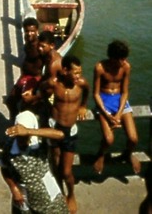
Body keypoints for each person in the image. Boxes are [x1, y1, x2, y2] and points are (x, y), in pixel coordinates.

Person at [42, 55, 89, 214]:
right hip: (55, 127)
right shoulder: (55, 84)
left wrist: (83, 105)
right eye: (75, 73)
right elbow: (42, 90)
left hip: (70, 130)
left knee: (66, 171)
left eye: (80, 73)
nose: (78, 76)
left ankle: (71, 194)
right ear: (65, 70)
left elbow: (88, 91)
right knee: (55, 161)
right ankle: (59, 191)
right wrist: (45, 92)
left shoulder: (81, 85)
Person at [0, 110, 69, 214]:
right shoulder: (9, 148)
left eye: (24, 138)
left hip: (47, 194)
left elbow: (60, 135)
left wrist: (29, 131)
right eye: (19, 138)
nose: (21, 141)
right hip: (23, 196)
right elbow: (4, 168)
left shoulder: (40, 142)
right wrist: (14, 189)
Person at [93, 39, 141, 175]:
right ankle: (101, 154)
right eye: (120, 59)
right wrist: (107, 114)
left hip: (120, 101)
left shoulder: (126, 67)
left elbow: (125, 92)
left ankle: (127, 154)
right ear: (112, 57)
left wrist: (119, 114)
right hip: (104, 101)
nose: (123, 62)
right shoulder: (100, 68)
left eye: (124, 58)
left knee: (133, 139)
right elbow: (95, 93)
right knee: (109, 139)